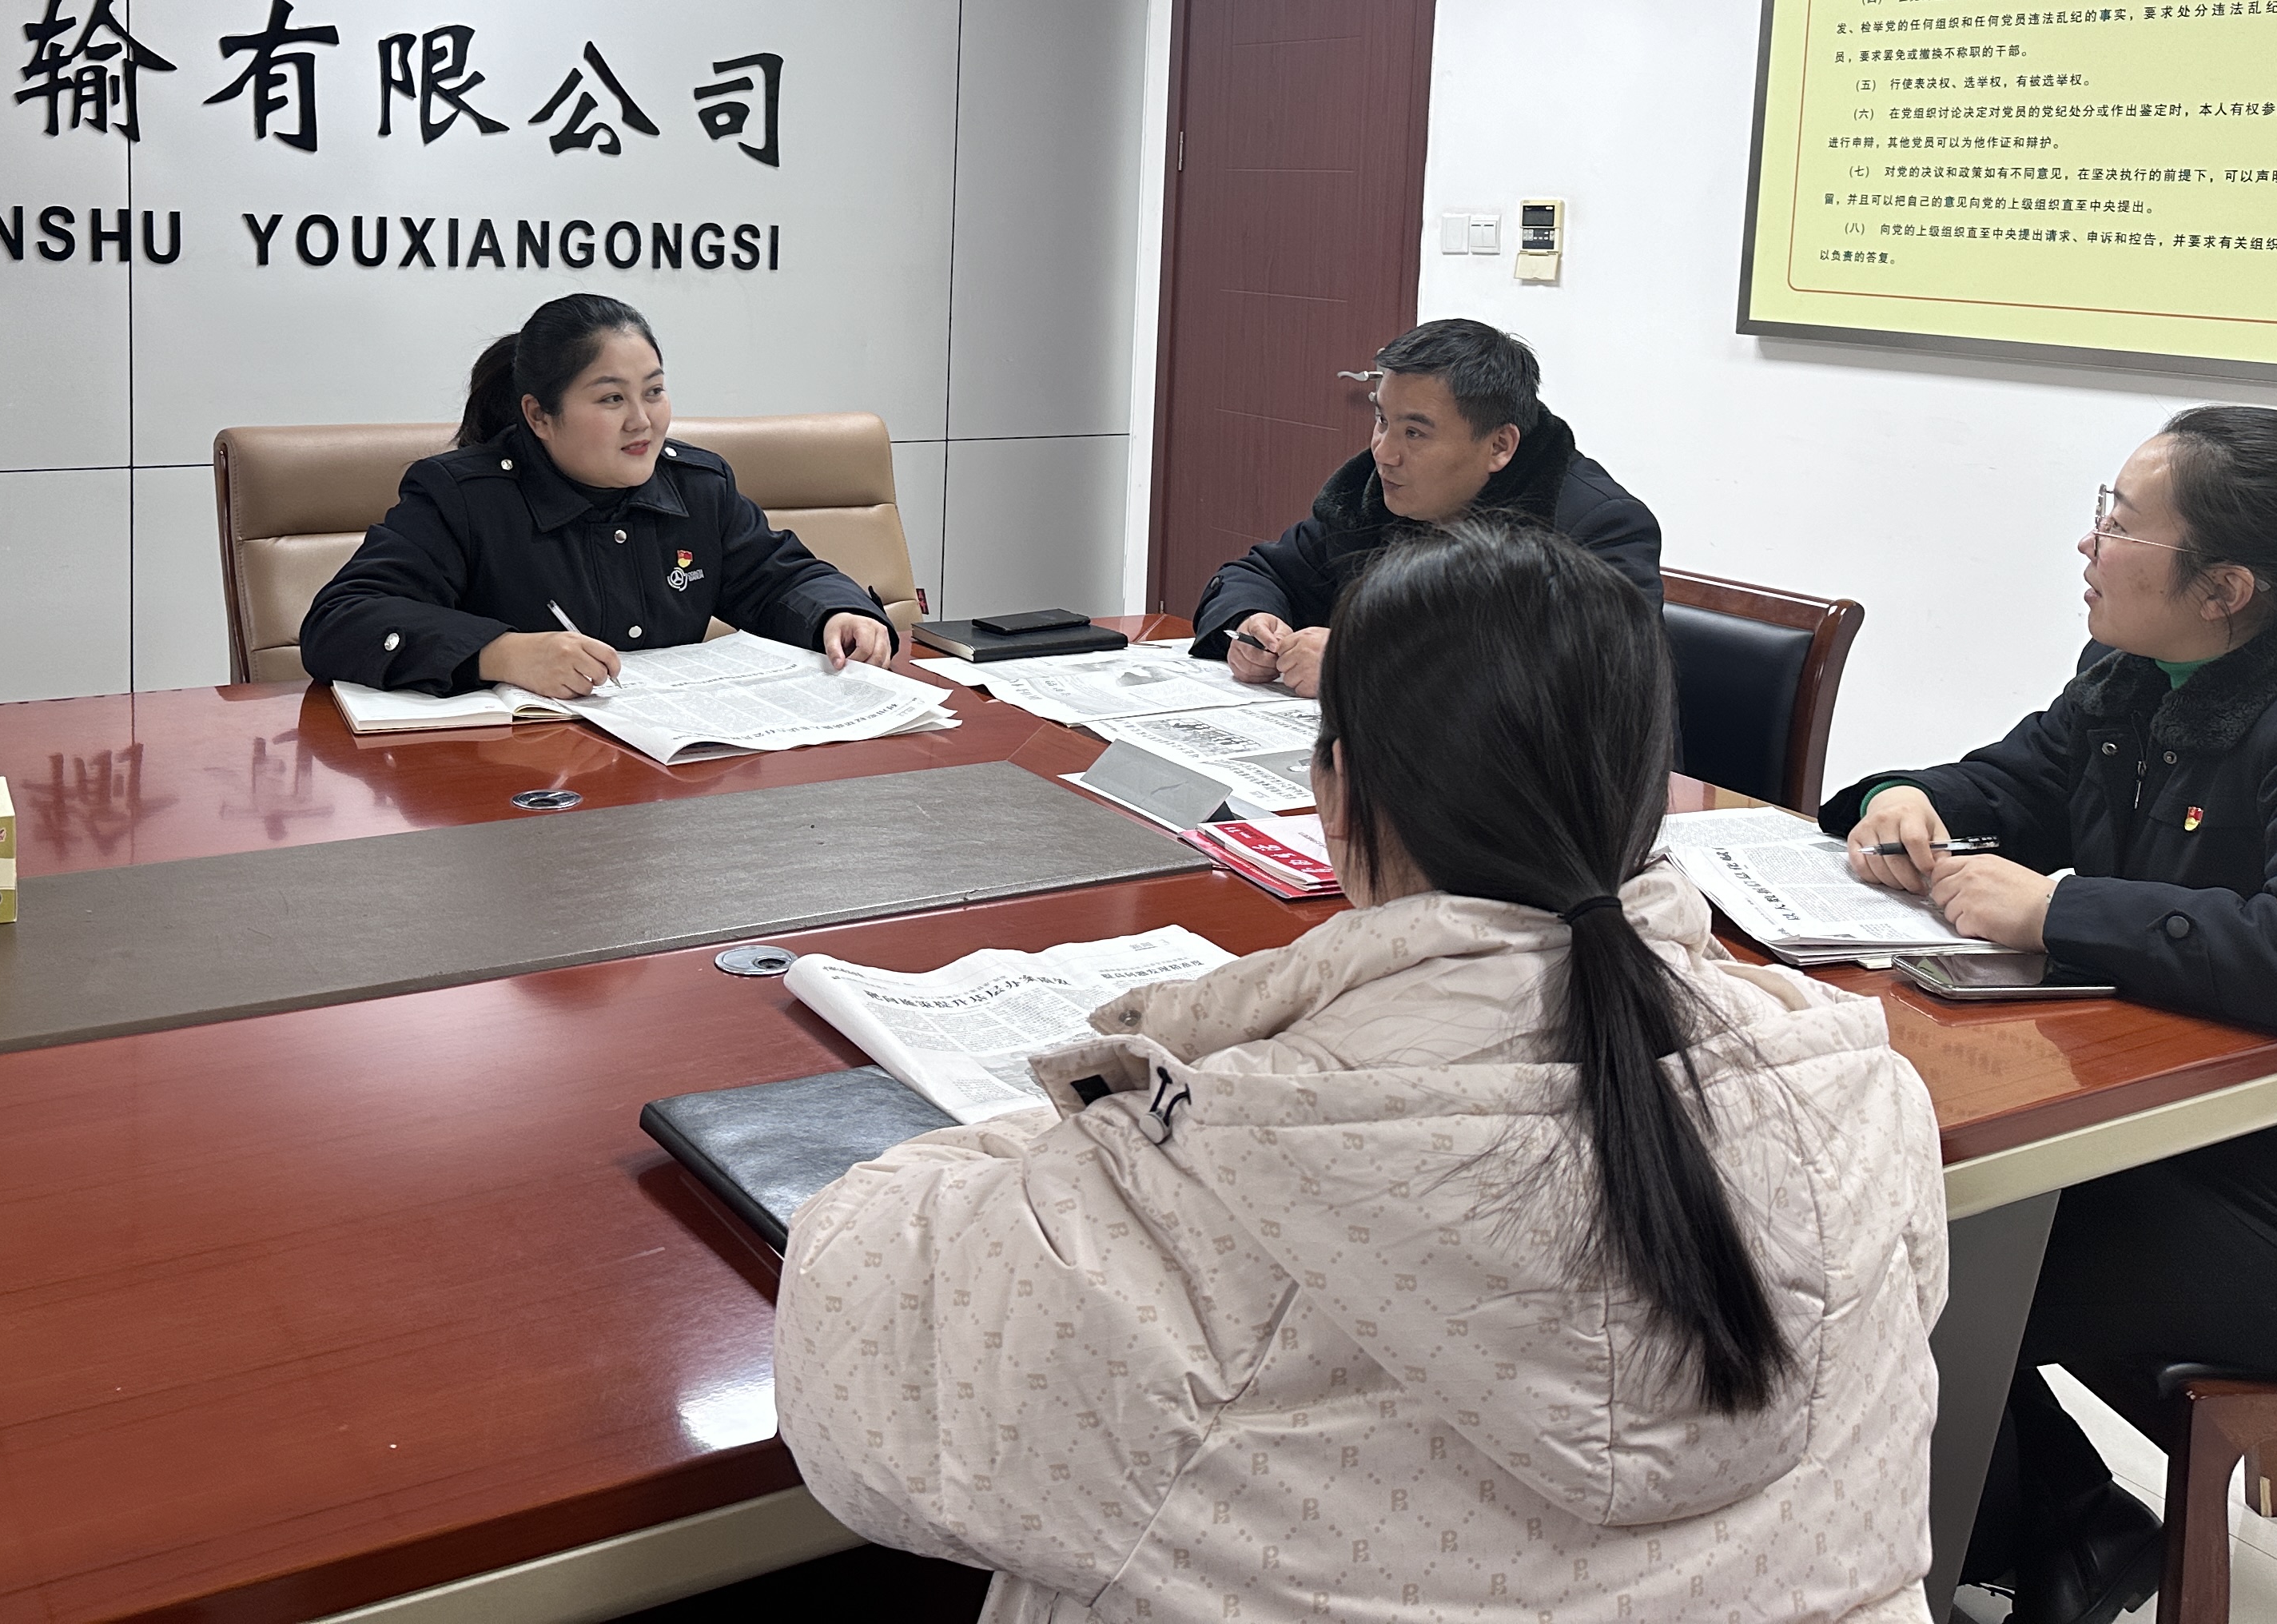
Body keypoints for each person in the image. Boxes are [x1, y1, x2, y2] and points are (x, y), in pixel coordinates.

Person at [777, 518, 1948, 1624]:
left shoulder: (1215, 1176)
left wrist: (1110, 1115)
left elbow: (854, 1363)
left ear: (1335, 792)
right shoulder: (1860, 1093)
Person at [1826, 405, 2277, 1624]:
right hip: (2206, 1142)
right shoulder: (2139, 672)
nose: (2089, 543)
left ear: (2225, 588)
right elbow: (2014, 783)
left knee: (1896, 1258)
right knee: (1875, 1214)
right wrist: (1902, 798)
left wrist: (2060, 911)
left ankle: (2046, 1541)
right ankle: (2065, 1525)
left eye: (2119, 521)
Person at [299, 293, 898, 699]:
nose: (643, 421)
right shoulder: (464, 498)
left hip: (667, 770)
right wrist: (500, 653)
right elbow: (339, 621)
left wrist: (838, 613)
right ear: (539, 415)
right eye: (612, 399)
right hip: (514, 785)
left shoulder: (697, 487)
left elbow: (778, 578)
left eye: (654, 391)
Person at [1192, 316, 1661, 695]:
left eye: (1414, 433)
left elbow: (1594, 684)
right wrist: (1251, 625)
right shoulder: (1371, 495)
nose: (1384, 453)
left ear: (1499, 445)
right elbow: (1261, 574)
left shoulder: (1596, 526)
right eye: (1382, 420)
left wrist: (1359, 664)